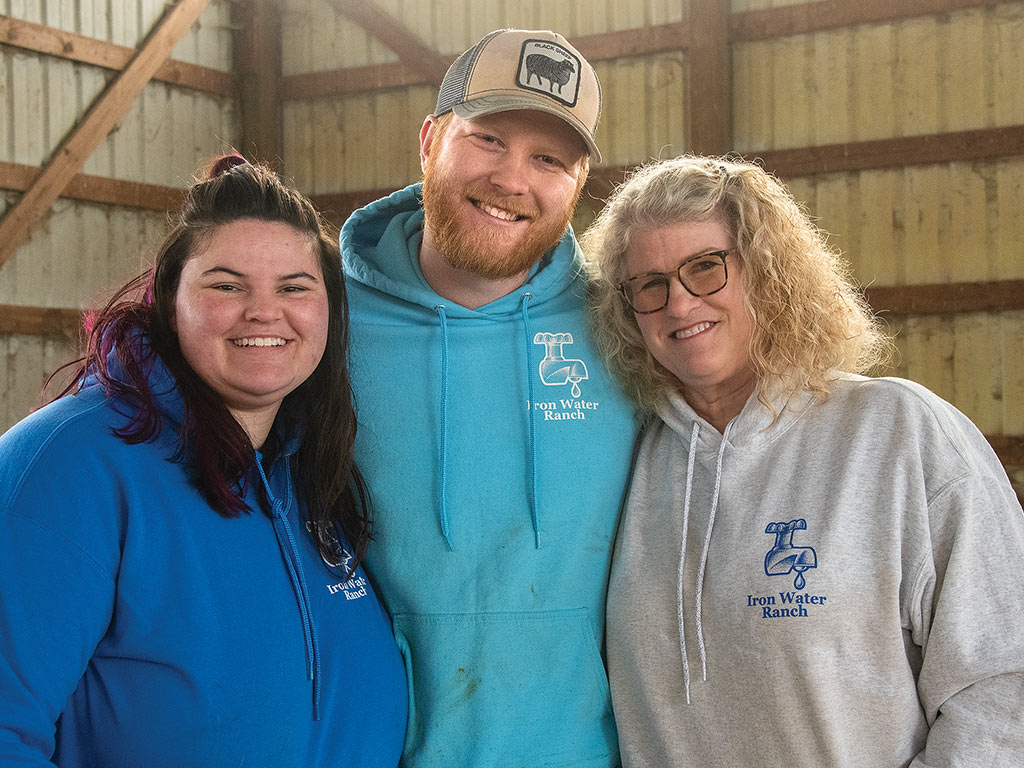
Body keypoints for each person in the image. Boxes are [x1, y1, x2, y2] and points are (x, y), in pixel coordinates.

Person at [583, 153, 1024, 767]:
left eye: (705, 269)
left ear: (766, 272)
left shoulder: (899, 434)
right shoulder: (623, 460)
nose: (679, 305)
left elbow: (1004, 681)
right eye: (649, 286)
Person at [0, 156, 407, 767]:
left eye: (295, 287)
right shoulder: (70, 466)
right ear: (168, 298)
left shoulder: (306, 470)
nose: (264, 312)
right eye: (226, 285)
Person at [340, 28, 637, 768]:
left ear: (577, 183)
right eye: (488, 140)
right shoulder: (319, 325)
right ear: (430, 139)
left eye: (549, 159)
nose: (513, 179)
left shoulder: (626, 327)